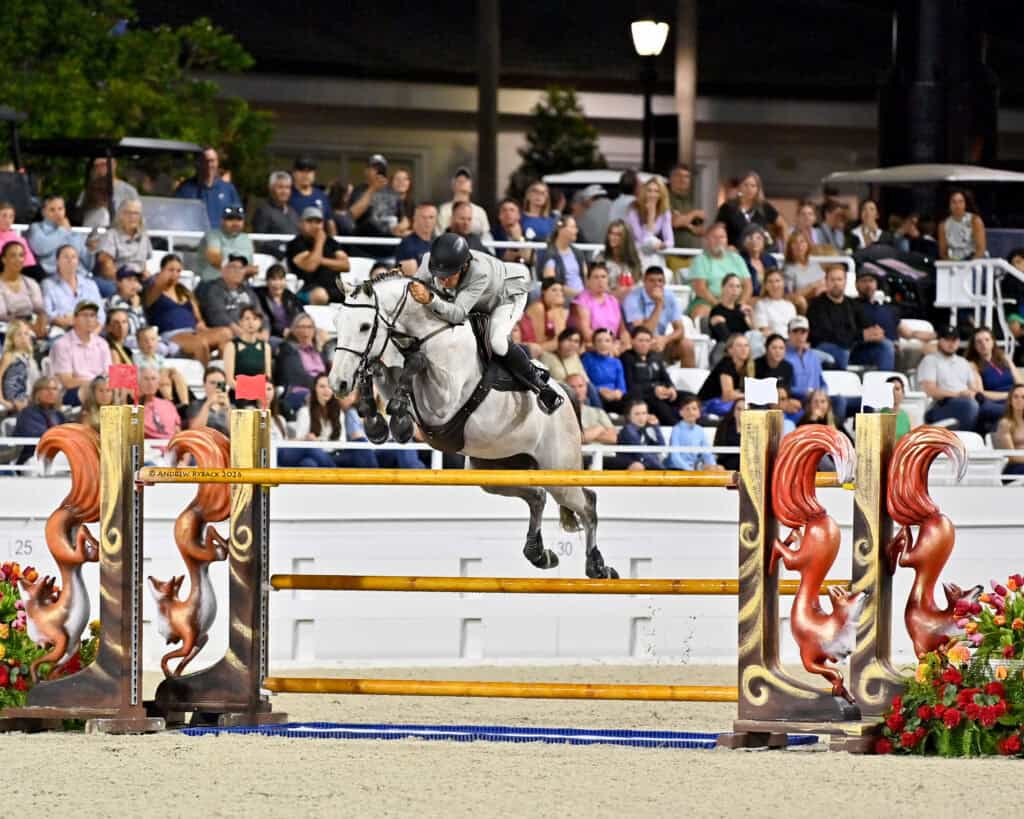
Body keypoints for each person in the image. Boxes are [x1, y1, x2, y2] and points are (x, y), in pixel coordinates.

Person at [409, 233, 563, 413]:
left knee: (496, 341)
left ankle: (541, 387)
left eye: (450, 275)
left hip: (507, 294)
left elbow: (457, 315)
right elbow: (414, 287)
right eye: (439, 275)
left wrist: (431, 299)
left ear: (464, 265)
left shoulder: (478, 273)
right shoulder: (430, 261)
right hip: (478, 298)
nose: (443, 281)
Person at [143, 253, 232, 365]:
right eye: (171, 270)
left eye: (178, 271)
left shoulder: (184, 291)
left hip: (193, 331)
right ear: (162, 271)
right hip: (171, 335)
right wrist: (159, 277)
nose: (175, 274)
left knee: (226, 333)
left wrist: (201, 325)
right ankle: (206, 376)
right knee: (200, 344)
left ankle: (223, 373)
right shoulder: (154, 292)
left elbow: (198, 318)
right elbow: (158, 283)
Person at [807, 265, 892, 372]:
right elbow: (825, 335)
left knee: (886, 346)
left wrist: (875, 333)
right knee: (842, 351)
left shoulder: (852, 304)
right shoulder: (817, 305)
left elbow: (866, 328)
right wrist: (860, 335)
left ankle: (885, 385)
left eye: (839, 279)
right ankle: (845, 385)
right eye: (832, 280)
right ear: (826, 282)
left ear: (845, 282)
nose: (836, 283)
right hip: (827, 348)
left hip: (853, 349)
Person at [287, 374, 377, 468]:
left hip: (337, 455)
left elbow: (342, 442)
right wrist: (307, 439)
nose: (326, 390)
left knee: (361, 444)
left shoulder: (339, 413)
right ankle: (336, 472)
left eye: (329, 387)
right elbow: (299, 443)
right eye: (322, 386)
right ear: (315, 389)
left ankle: (376, 478)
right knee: (308, 463)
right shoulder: (305, 412)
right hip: (317, 454)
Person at [622, 266, 694, 366]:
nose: (657, 284)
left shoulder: (670, 297)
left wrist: (665, 339)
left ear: (664, 283)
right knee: (644, 342)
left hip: (661, 343)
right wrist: (659, 304)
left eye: (660, 281)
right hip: (636, 344)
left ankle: (690, 379)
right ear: (644, 282)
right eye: (652, 281)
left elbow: (680, 330)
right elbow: (642, 333)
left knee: (687, 345)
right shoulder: (632, 299)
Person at [784, 316, 846, 422]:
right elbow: (786, 387)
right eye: (795, 331)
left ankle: (835, 432)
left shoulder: (813, 356)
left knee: (839, 400)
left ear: (807, 334)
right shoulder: (783, 356)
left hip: (817, 398)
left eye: (803, 332)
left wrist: (822, 392)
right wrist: (805, 392)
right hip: (798, 399)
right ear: (789, 333)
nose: (799, 335)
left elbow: (822, 381)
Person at [47, 301, 110, 406]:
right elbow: (67, 381)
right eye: (85, 315)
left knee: (125, 386)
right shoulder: (62, 344)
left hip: (99, 388)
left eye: (93, 316)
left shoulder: (102, 343)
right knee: (94, 391)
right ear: (74, 319)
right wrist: (95, 384)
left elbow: (108, 374)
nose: (89, 320)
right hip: (71, 392)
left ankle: (126, 421)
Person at [919, 326, 982, 431]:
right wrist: (958, 394)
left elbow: (973, 388)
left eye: (954, 340)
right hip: (940, 405)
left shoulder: (963, 362)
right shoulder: (930, 360)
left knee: (991, 409)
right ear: (940, 341)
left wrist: (972, 393)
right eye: (947, 339)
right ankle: (964, 441)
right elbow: (930, 391)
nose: (951, 343)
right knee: (970, 405)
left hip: (964, 401)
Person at [286, 207, 351, 304]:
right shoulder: (295, 244)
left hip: (335, 288)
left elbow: (346, 265)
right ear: (301, 224)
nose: (315, 226)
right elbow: (311, 266)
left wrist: (319, 260)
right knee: (320, 295)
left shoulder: (331, 242)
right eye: (310, 221)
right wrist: (319, 241)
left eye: (318, 222)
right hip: (308, 289)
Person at [686, 222, 751, 320]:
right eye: (714, 237)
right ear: (707, 240)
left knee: (752, 310)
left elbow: (748, 286)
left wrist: (741, 304)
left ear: (727, 240)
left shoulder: (737, 259)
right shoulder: (700, 260)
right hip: (708, 302)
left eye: (722, 237)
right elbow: (701, 289)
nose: (718, 241)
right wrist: (720, 306)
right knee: (701, 312)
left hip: (735, 301)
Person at [965, 326, 1021, 436]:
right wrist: (1008, 395)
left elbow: (1019, 383)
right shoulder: (973, 364)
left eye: (987, 340)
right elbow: (979, 393)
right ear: (974, 346)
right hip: (994, 402)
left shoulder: (1004, 358)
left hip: (1014, 398)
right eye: (979, 342)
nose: (983, 344)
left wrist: (1015, 396)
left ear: (993, 342)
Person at [27, 195, 97, 281]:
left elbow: (88, 265)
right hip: (52, 277)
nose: (57, 213)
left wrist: (91, 251)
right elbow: (40, 248)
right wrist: (62, 230)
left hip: (80, 277)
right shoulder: (36, 228)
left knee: (109, 288)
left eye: (60, 209)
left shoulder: (73, 233)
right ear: (43, 212)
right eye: (52, 210)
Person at [620, 326, 679, 425]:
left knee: (687, 397)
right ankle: (676, 427)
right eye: (641, 340)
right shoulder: (626, 358)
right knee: (660, 405)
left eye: (647, 341)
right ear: (632, 341)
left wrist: (671, 388)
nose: (644, 344)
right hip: (644, 396)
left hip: (662, 393)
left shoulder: (655, 357)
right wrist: (654, 389)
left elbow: (666, 377)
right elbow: (630, 385)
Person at [714, 170, 787, 249]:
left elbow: (783, 226)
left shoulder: (764, 207)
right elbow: (718, 231)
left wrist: (785, 249)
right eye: (745, 185)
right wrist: (726, 247)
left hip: (760, 255)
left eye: (753, 186)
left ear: (758, 189)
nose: (749, 189)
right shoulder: (727, 207)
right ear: (739, 187)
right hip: (736, 254)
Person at [199, 255, 268, 336]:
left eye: (241, 268)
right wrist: (243, 334)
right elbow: (218, 317)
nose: (238, 271)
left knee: (278, 343)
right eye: (233, 267)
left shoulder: (248, 291)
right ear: (223, 270)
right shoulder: (214, 290)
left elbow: (261, 314)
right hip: (230, 336)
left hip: (253, 335)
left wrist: (265, 332)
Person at [174, 147, 242, 228]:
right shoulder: (185, 189)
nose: (209, 165)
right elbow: (176, 217)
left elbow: (237, 219)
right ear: (198, 163)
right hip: (193, 239)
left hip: (219, 239)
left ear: (217, 163)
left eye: (212, 161)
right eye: (205, 161)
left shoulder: (228, 189)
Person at [42, 244, 105, 330]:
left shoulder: (90, 284)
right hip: (63, 331)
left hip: (90, 332)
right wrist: (71, 322)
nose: (70, 260)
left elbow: (101, 316)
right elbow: (48, 314)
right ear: (57, 261)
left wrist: (93, 336)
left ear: (78, 261)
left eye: (73, 257)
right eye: (66, 257)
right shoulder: (48, 284)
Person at [274, 312, 329, 411]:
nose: (306, 331)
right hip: (297, 392)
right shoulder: (287, 349)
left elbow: (328, 373)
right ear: (294, 330)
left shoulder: (319, 351)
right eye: (301, 327)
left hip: (321, 390)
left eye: (309, 327)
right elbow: (297, 376)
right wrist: (320, 387)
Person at [221, 306, 272, 407]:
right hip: (238, 394)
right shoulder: (231, 346)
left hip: (259, 396)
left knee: (267, 402)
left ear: (260, 323)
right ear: (240, 322)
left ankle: (265, 420)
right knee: (248, 407)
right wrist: (252, 392)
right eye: (247, 319)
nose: (251, 322)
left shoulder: (265, 347)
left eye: (255, 319)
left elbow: (267, 376)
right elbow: (230, 380)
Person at [570, 262, 628, 349]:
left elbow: (622, 329)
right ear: (588, 281)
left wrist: (625, 342)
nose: (600, 280)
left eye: (603, 277)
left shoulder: (613, 300)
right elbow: (586, 334)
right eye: (596, 277)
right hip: (593, 346)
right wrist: (609, 344)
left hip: (614, 345)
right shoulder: (581, 301)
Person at [95, 199, 152, 285]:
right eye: (128, 213)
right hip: (119, 278)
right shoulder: (111, 235)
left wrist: (145, 275)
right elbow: (106, 264)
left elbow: (143, 263)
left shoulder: (144, 236)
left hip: (139, 279)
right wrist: (122, 283)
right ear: (121, 215)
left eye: (136, 213)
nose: (132, 217)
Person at [849, 270, 898, 371]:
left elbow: (904, 330)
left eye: (871, 281)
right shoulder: (851, 305)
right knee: (886, 346)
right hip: (861, 348)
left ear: (876, 284)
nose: (868, 285)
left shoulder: (886, 308)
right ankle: (886, 384)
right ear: (856, 284)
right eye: (864, 281)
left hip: (890, 345)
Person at [11, 377, 66, 465]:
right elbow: (40, 436)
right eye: (46, 388)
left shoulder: (59, 415)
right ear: (37, 393)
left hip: (55, 455)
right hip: (33, 458)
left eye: (54, 389)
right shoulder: (28, 413)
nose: (51, 392)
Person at [196, 206, 257, 283]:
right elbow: (214, 259)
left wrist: (249, 270)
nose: (235, 223)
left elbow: (251, 268)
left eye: (239, 219)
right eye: (230, 219)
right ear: (222, 221)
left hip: (239, 285)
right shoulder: (213, 235)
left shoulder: (246, 239)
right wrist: (241, 270)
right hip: (213, 282)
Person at [132, 324, 189, 407]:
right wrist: (161, 373)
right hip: (147, 384)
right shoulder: (136, 357)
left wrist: (170, 371)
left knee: (176, 374)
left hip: (161, 383)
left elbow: (163, 370)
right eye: (145, 340)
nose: (150, 343)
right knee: (162, 377)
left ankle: (185, 403)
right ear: (139, 343)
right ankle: (169, 403)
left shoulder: (159, 358)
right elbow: (140, 375)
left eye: (153, 339)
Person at [698, 332, 752, 417]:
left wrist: (739, 394)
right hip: (708, 403)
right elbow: (727, 396)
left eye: (746, 345)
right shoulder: (726, 365)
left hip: (727, 402)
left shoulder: (748, 366)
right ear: (730, 350)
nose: (743, 349)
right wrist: (748, 395)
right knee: (740, 408)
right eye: (739, 346)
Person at [0, 241, 47, 337]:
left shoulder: (30, 282)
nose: (18, 259)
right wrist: (30, 327)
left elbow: (40, 309)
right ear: (4, 259)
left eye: (21, 255)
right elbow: (3, 316)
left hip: (31, 325)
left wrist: (41, 324)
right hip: (7, 328)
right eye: (13, 256)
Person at [75, 157, 140, 228]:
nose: (100, 168)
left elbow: (138, 217)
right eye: (96, 166)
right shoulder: (88, 190)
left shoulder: (129, 191)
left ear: (114, 164)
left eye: (104, 164)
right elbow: (79, 217)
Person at [708, 273, 760, 358]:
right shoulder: (717, 311)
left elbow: (756, 334)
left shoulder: (742, 309)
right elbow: (726, 338)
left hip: (746, 347)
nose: (735, 289)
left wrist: (752, 316)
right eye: (731, 286)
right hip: (726, 350)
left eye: (738, 286)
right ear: (723, 287)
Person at [626, 177, 673, 269]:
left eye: (656, 191)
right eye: (649, 190)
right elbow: (642, 240)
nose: (652, 194)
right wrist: (651, 216)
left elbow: (670, 241)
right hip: (636, 253)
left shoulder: (664, 212)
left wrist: (662, 245)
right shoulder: (634, 209)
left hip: (653, 254)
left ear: (661, 194)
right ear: (644, 192)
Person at [252, 171, 301, 258]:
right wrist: (280, 250)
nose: (284, 191)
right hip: (272, 261)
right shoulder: (263, 211)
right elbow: (259, 241)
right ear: (271, 189)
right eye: (280, 187)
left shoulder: (293, 212)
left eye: (287, 187)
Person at [667, 395, 722, 471]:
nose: (691, 412)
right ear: (681, 412)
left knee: (719, 469)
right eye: (687, 409)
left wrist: (714, 466)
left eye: (694, 409)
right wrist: (690, 470)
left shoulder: (700, 430)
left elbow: (707, 453)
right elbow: (675, 457)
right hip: (677, 468)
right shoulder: (676, 430)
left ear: (699, 412)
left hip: (694, 467)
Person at [538, 216, 586, 299]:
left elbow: (586, 276)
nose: (576, 230)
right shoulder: (550, 254)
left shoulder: (577, 253)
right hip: (564, 298)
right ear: (561, 230)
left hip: (583, 298)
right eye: (573, 227)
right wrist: (580, 295)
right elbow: (551, 284)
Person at [581, 328, 627, 414]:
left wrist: (618, 392)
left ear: (612, 344)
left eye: (607, 341)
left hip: (614, 395)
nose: (603, 344)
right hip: (596, 394)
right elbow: (585, 381)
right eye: (599, 341)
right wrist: (600, 390)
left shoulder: (616, 362)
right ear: (594, 344)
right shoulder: (587, 358)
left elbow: (621, 385)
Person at [255, 264, 305, 342]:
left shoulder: (290, 296)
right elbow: (264, 321)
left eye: (281, 279)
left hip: (293, 334)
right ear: (267, 281)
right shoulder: (260, 296)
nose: (277, 283)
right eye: (274, 279)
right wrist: (282, 331)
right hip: (273, 336)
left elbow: (302, 316)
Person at [565, 373, 618, 446]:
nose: (577, 391)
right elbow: (572, 438)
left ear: (586, 388)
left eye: (580, 386)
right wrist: (599, 429)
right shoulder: (560, 413)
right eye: (572, 387)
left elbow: (614, 438)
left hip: (602, 455)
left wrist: (586, 436)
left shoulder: (598, 412)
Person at [436, 167, 490, 237]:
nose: (462, 180)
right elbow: (439, 234)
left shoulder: (480, 211)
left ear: (471, 187)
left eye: (466, 179)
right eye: (458, 180)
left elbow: (486, 236)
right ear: (453, 186)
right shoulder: (444, 210)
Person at [0, 319, 39, 415]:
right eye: (19, 334)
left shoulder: (30, 358)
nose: (23, 338)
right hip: (15, 401)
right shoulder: (9, 355)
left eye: (26, 334)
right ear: (12, 338)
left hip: (29, 400)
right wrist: (2, 401)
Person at [614, 399, 665, 471]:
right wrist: (662, 469)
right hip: (630, 469)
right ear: (629, 416)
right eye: (637, 414)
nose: (641, 417)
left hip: (646, 467)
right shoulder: (628, 430)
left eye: (644, 413)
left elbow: (661, 448)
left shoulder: (643, 430)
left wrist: (656, 427)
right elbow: (642, 453)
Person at [593, 219, 642, 295]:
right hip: (608, 298)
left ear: (625, 238)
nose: (613, 237)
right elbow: (596, 284)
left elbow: (639, 282)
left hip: (630, 297)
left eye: (618, 235)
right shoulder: (600, 258)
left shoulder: (635, 258)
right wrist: (615, 294)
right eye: (611, 233)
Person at [782, 231, 827, 312]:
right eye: (794, 243)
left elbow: (824, 282)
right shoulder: (787, 270)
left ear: (807, 245)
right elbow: (789, 296)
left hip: (821, 297)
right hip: (803, 303)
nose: (799, 246)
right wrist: (812, 286)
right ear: (790, 247)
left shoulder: (815, 265)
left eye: (802, 242)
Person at [288, 157, 335, 234]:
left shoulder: (321, 196)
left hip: (318, 242)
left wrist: (333, 243)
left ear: (314, 174)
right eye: (301, 170)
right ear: (294, 173)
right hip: (295, 241)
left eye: (309, 171)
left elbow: (330, 223)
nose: (305, 175)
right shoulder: (287, 194)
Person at [667, 164, 705, 259]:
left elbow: (701, 230)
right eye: (679, 176)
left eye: (686, 177)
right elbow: (674, 222)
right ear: (671, 178)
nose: (683, 180)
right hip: (672, 255)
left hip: (693, 255)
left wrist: (685, 222)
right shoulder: (666, 198)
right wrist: (693, 214)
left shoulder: (690, 202)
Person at [522, 279, 568, 354]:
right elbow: (539, 341)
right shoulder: (538, 307)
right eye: (554, 290)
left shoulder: (556, 309)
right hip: (530, 348)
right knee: (562, 343)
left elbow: (561, 336)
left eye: (561, 290)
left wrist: (557, 311)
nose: (559, 293)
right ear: (544, 292)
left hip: (544, 349)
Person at [938, 189, 986, 261]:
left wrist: (969, 265)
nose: (957, 205)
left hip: (974, 260)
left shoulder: (975, 220)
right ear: (949, 204)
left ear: (965, 203)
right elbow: (943, 252)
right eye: (954, 202)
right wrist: (952, 263)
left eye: (961, 201)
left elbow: (981, 249)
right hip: (953, 261)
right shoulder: (943, 225)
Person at [138, 366, 181, 443]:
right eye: (146, 379)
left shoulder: (168, 405)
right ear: (139, 382)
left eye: (153, 379)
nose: (150, 383)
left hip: (169, 445)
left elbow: (177, 431)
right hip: (147, 447)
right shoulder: (133, 407)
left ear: (158, 384)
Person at [186, 366, 233, 436]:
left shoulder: (231, 408)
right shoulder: (195, 405)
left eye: (220, 384)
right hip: (204, 444)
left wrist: (228, 408)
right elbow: (194, 433)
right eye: (212, 383)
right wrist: (208, 405)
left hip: (225, 445)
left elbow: (236, 435)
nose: (216, 386)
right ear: (204, 385)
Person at [396, 203, 438, 276]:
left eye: (431, 217)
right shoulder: (406, 244)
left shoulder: (439, 243)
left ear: (436, 220)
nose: (427, 221)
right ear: (415, 219)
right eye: (423, 217)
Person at [490, 198, 534, 266]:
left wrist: (518, 238)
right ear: (499, 216)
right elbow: (503, 257)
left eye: (512, 210)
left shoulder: (528, 232)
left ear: (519, 215)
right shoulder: (492, 233)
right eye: (504, 210)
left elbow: (528, 257)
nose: (508, 213)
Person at [753, 269, 796, 338]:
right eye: (770, 282)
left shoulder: (790, 306)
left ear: (783, 283)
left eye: (777, 281)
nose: (775, 285)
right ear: (766, 286)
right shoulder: (761, 305)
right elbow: (764, 330)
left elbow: (795, 329)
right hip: (774, 343)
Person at [0, 201, 38, 275]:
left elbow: (31, 263)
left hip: (22, 273)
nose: (8, 220)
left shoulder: (20, 240)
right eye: (4, 216)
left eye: (11, 216)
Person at [994, 384, 1024, 479]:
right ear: (1010, 401)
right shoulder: (1005, 424)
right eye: (1015, 397)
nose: (1019, 400)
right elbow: (1011, 456)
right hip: (1013, 468)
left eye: (1023, 397)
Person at [755, 333, 796, 400]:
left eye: (781, 348)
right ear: (766, 349)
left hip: (779, 401)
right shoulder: (755, 365)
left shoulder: (788, 367)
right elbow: (752, 391)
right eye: (774, 348)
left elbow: (787, 390)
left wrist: (784, 392)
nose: (778, 351)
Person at [739, 224, 778, 296]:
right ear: (744, 242)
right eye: (750, 238)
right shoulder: (739, 261)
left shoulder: (771, 260)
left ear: (764, 242)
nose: (754, 241)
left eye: (758, 238)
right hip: (751, 298)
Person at [713, 397, 745, 471]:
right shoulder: (723, 426)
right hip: (724, 467)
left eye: (744, 410)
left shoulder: (755, 429)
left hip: (745, 468)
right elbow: (717, 448)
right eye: (738, 409)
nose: (741, 413)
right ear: (733, 411)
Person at [884, 375, 912, 441]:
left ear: (903, 393)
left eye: (897, 389)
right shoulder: (879, 416)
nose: (894, 392)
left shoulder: (908, 417)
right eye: (891, 389)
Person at [390, 168, 415, 235]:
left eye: (405, 179)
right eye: (397, 179)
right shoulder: (384, 204)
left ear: (409, 183)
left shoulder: (413, 205)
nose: (401, 182)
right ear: (391, 182)